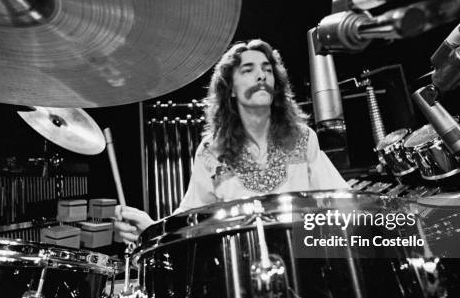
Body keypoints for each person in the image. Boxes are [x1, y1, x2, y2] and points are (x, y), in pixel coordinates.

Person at [115, 39, 349, 242]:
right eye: (248, 70)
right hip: (241, 273)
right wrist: (151, 229)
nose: (261, 75)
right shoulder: (211, 152)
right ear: (231, 89)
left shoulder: (302, 138)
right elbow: (189, 218)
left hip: (304, 267)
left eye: (267, 69)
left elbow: (342, 201)